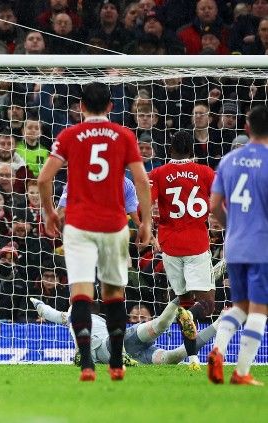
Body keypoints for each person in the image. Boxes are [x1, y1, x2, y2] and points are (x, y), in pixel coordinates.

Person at [37, 82, 152, 382]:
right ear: (111, 107)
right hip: (114, 226)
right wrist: (147, 222)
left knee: (81, 294)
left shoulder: (69, 135)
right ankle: (115, 361)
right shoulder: (124, 135)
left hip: (78, 226)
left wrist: (50, 213)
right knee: (113, 293)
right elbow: (141, 180)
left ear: (81, 107)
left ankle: (87, 362)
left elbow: (44, 178)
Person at [208, 104, 268, 386]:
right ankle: (241, 373)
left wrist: (233, 225)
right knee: (259, 310)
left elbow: (214, 205)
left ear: (246, 127)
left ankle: (218, 350)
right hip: (261, 246)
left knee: (240, 307)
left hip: (234, 245)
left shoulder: (229, 160)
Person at [149, 130, 216, 370]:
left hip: (170, 246)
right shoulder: (205, 172)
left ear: (170, 149)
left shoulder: (158, 173)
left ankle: (194, 360)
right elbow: (219, 200)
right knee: (206, 305)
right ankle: (193, 342)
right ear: (193, 150)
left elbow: (145, 203)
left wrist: (148, 229)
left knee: (184, 302)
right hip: (196, 244)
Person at [30, 298, 222, 366]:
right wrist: (37, 303)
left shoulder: (83, 317)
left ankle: (183, 297)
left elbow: (50, 313)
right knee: (175, 357)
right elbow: (50, 313)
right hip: (131, 352)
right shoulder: (74, 316)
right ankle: (220, 324)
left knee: (162, 324)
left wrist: (37, 304)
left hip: (120, 343)